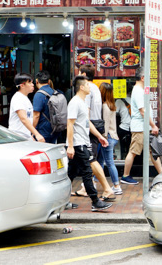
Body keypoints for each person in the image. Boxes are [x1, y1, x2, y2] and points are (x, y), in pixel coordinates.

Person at [66, 75, 112, 212]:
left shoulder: (83, 102)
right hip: (78, 144)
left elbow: (87, 123)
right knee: (87, 172)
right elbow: (70, 124)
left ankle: (62, 201)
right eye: (87, 85)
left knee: (70, 174)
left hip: (82, 143)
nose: (89, 87)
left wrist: (99, 136)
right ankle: (95, 201)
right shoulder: (75, 102)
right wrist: (70, 146)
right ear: (81, 87)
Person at [73, 64, 115, 200]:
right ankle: (86, 187)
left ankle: (105, 189)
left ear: (84, 75)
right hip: (96, 125)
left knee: (91, 159)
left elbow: (87, 113)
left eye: (79, 72)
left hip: (90, 126)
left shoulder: (87, 90)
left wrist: (90, 130)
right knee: (86, 160)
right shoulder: (95, 87)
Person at [121, 67, 162, 185]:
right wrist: (153, 125)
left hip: (144, 127)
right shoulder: (138, 91)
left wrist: (151, 126)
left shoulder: (140, 90)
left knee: (153, 151)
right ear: (143, 77)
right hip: (140, 127)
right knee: (134, 151)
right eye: (148, 76)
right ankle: (125, 176)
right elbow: (142, 112)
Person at [97, 83, 123, 195]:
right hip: (113, 136)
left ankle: (117, 185)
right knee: (99, 161)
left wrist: (103, 138)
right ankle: (94, 181)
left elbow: (106, 124)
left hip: (108, 137)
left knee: (109, 162)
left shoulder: (105, 106)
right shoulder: (111, 104)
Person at [8, 73, 46, 141]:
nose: (32, 84)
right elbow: (23, 118)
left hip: (24, 136)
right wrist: (36, 134)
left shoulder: (25, 98)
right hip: (18, 136)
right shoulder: (18, 98)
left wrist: (30, 135)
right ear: (22, 85)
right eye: (29, 82)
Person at [32, 70, 65, 144]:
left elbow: (36, 115)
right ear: (49, 81)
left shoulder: (39, 94)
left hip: (43, 130)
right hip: (55, 128)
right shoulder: (55, 92)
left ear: (37, 81)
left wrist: (32, 131)